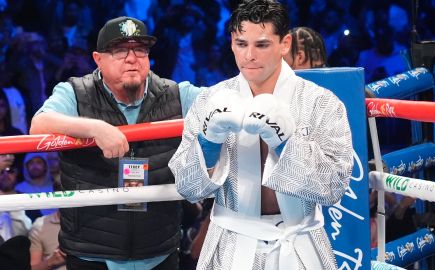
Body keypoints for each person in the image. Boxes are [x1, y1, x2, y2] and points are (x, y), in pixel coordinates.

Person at [169, 1, 354, 269]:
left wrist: (287, 143)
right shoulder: (211, 100)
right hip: (229, 248)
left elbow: (333, 189)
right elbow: (187, 188)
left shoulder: (322, 103)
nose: (249, 55)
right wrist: (208, 144)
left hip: (300, 244)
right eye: (242, 44)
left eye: (262, 45)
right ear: (232, 42)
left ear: (285, 43)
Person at [30, 16, 187, 270]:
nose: (132, 58)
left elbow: (219, 103)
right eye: (120, 50)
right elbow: (39, 125)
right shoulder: (75, 93)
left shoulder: (176, 94)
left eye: (140, 49)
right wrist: (95, 128)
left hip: (159, 251)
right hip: (92, 254)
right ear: (98, 59)